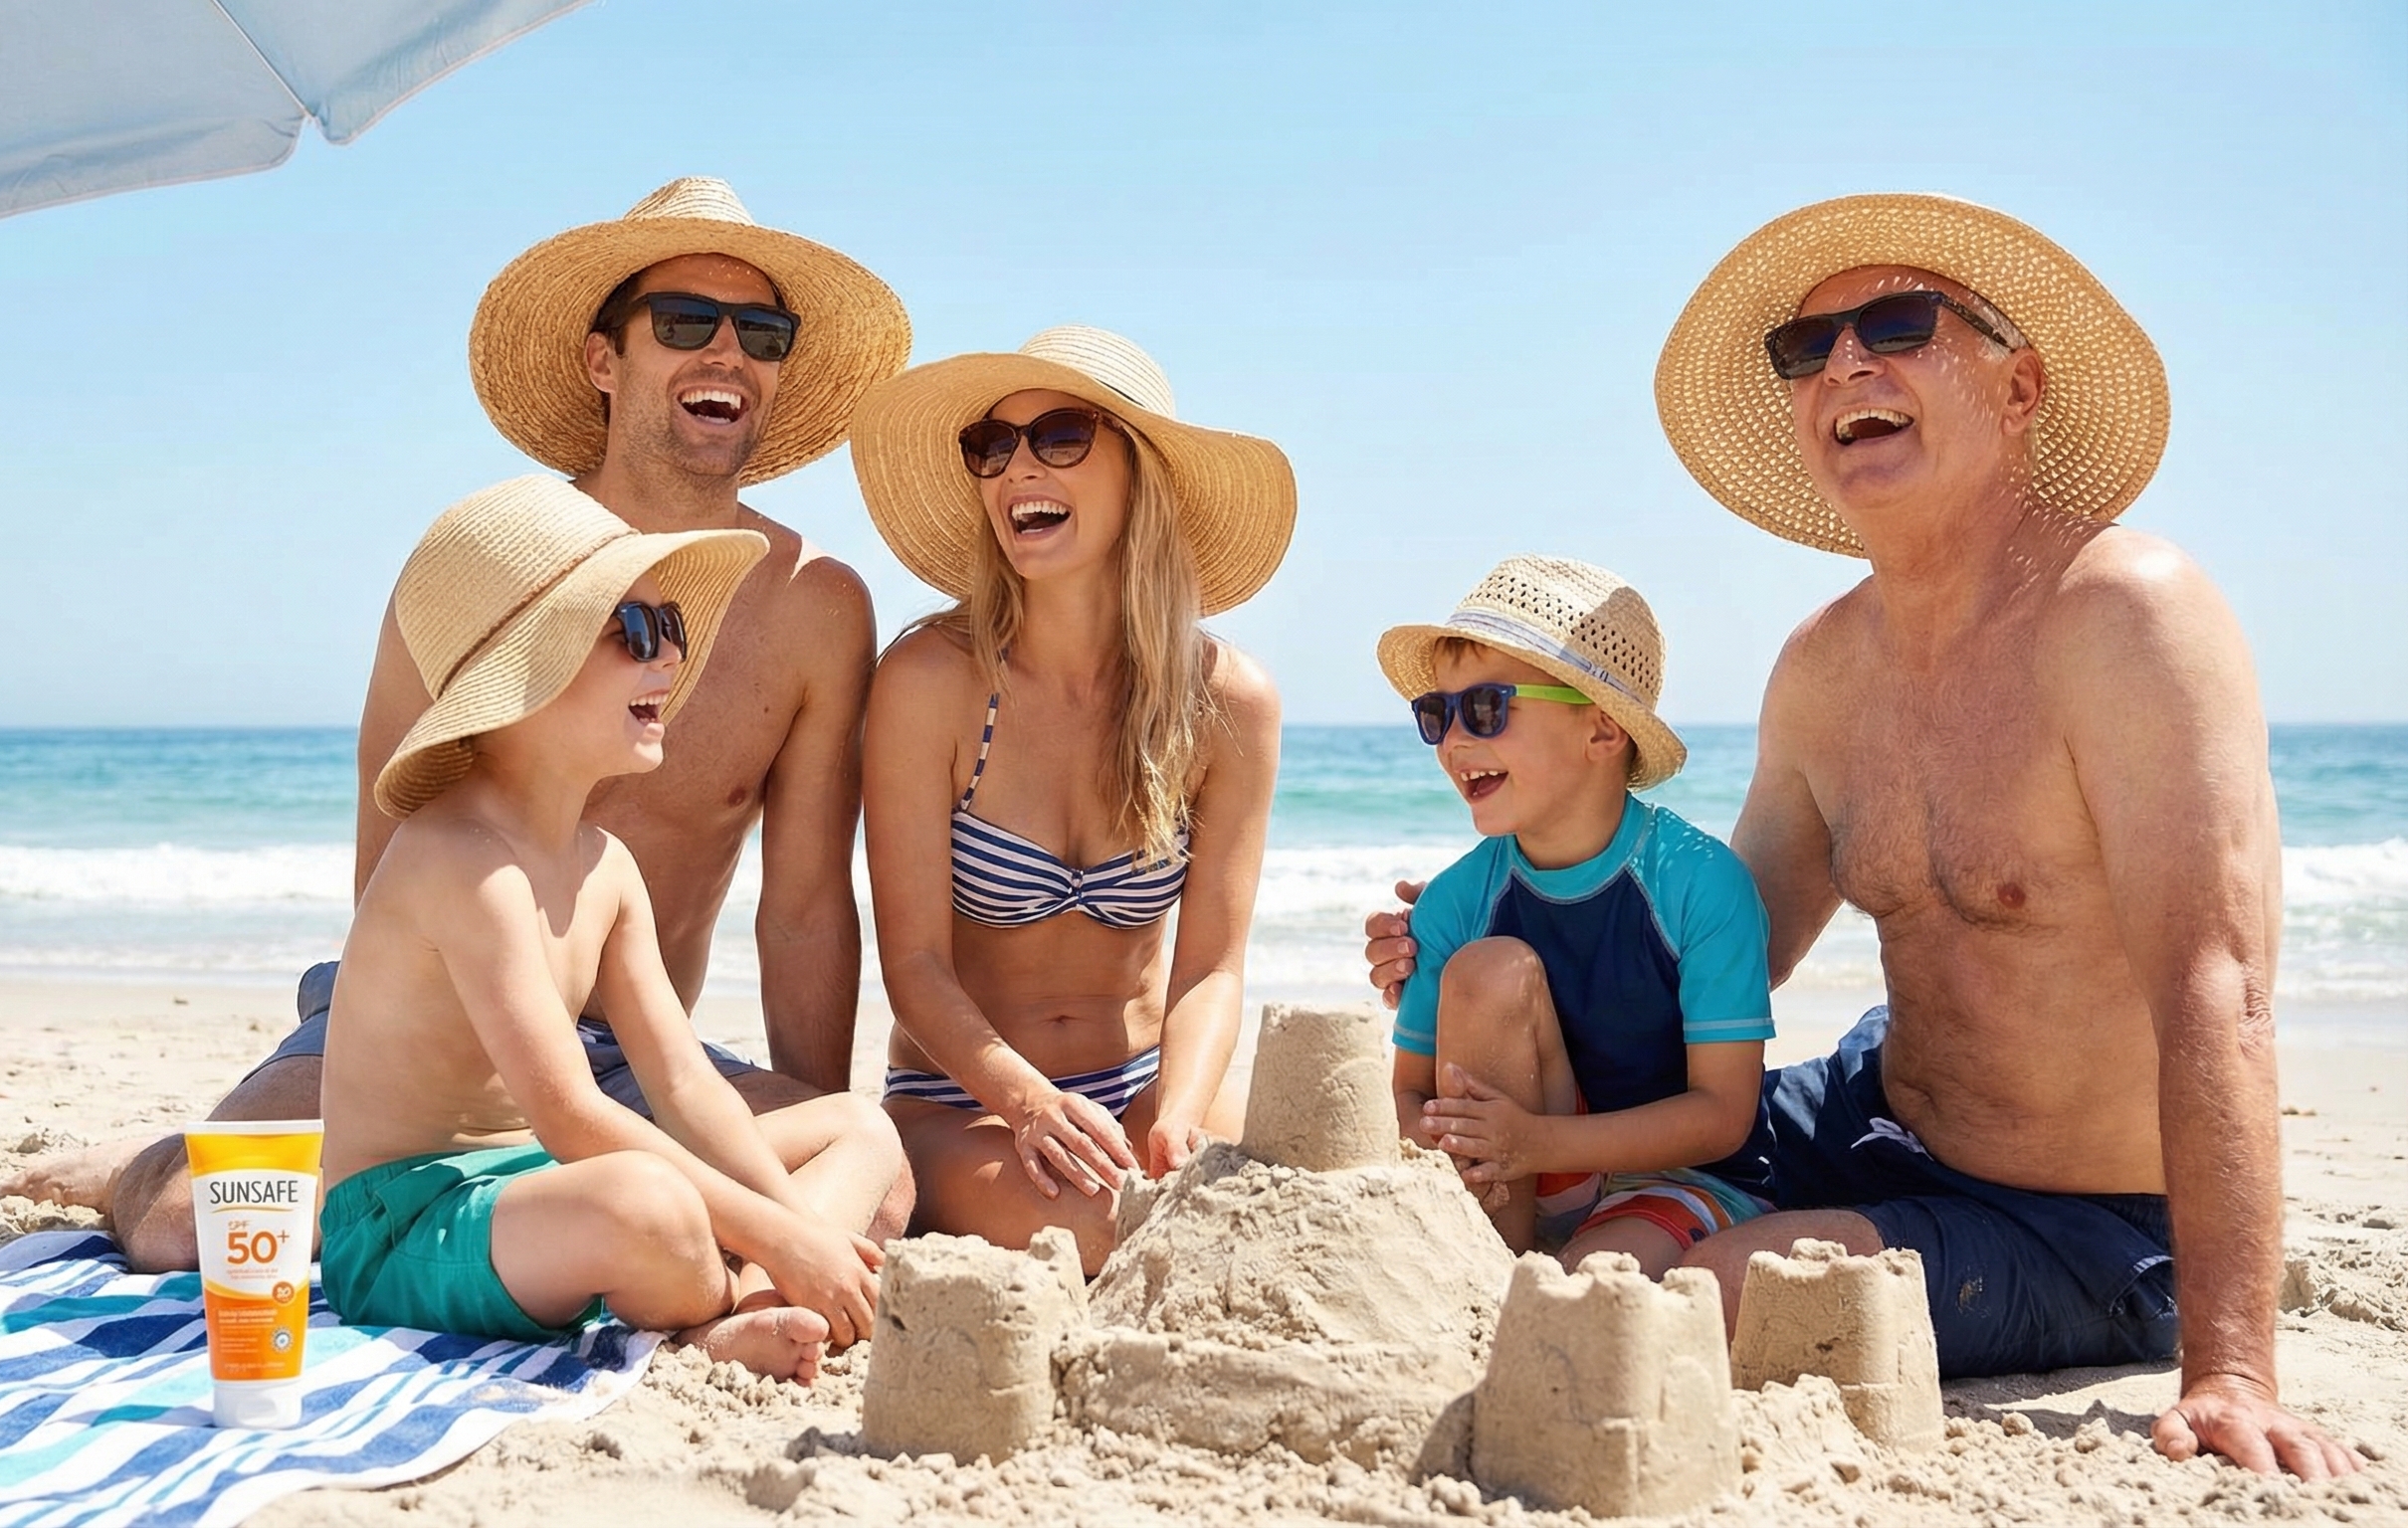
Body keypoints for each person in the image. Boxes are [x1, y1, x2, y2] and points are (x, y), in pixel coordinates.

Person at [1370, 195, 2359, 1478]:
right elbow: (1716, 958)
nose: (1845, 363)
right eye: (1808, 346)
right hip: (1862, 1110)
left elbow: (2215, 987)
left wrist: (2232, 1369)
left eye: (1895, 324)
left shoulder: (2127, 619)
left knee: (1700, 1298)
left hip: (2077, 1217)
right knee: (1578, 1229)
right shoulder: (1826, 665)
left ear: (2018, 388)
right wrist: (1474, 952)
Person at [5, 178, 916, 1270]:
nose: (726, 352)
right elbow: (395, 848)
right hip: (440, 1027)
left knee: (876, 1182)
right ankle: (143, 1160)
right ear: (602, 360)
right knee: (198, 1226)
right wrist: (448, 1085)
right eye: (683, 323)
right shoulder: (487, 571)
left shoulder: (817, 605)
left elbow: (806, 907)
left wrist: (785, 1146)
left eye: (760, 333)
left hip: (636, 1051)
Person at [319, 475, 884, 1386]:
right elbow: (574, 1115)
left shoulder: (604, 865)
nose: (668, 662)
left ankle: (748, 1299)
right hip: (406, 1224)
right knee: (649, 1204)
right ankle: (706, 1328)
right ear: (525, 670)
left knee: (859, 1131)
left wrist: (797, 1232)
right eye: (634, 633)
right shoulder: (462, 860)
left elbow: (687, 1083)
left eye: (675, 630)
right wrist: (782, 1233)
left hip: (537, 1188)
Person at [851, 327, 1291, 1273]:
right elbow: (916, 965)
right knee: (1113, 1230)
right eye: (992, 446)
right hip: (961, 1101)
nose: (1017, 468)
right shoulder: (931, 680)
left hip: (1143, 1084)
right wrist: (1029, 1105)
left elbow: (1211, 968)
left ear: (1144, 478)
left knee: (1288, 1207)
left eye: (1059, 436)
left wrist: (1176, 1115)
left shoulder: (1228, 702)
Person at [1377, 556, 1772, 1277]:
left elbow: (1723, 1115)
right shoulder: (1455, 903)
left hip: (1677, 1180)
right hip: (1518, 1179)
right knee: (1488, 970)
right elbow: (1407, 1090)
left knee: (1594, 1288)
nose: (1455, 742)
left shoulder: (1701, 883)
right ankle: (1488, 1262)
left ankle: (1521, 1277)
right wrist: (1443, 1142)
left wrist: (1537, 1142)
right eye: (1437, 715)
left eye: (1488, 708)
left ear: (1601, 731)